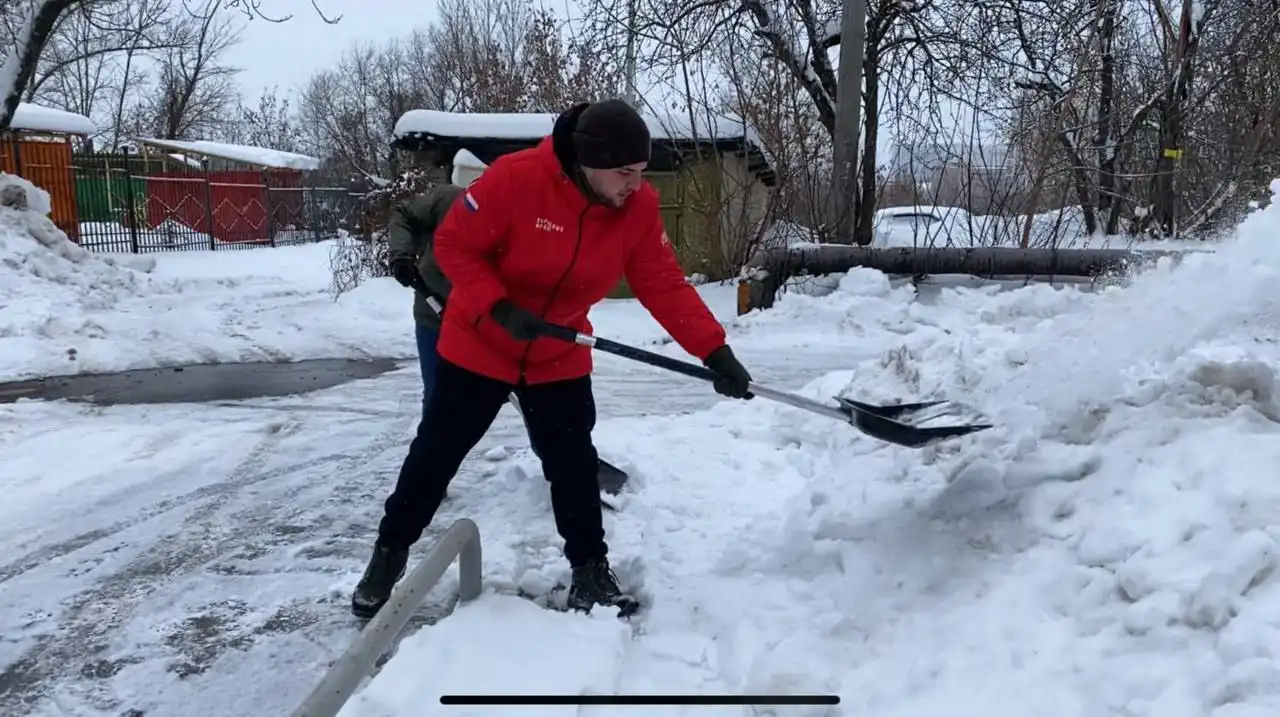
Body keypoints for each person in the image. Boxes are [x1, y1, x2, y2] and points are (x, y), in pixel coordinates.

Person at [351, 99, 755, 619]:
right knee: (436, 455)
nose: (636, 184)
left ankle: (590, 571)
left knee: (573, 466)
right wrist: (497, 306)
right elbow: (454, 246)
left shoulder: (636, 208)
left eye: (640, 171)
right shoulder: (517, 179)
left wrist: (714, 350)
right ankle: (389, 554)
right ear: (588, 162)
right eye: (624, 172)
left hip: (557, 350)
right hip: (480, 343)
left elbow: (662, 283)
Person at [385, 178, 465, 414]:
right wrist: (401, 256)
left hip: (488, 320)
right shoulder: (448, 200)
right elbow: (404, 215)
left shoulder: (519, 218)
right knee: (437, 395)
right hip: (434, 312)